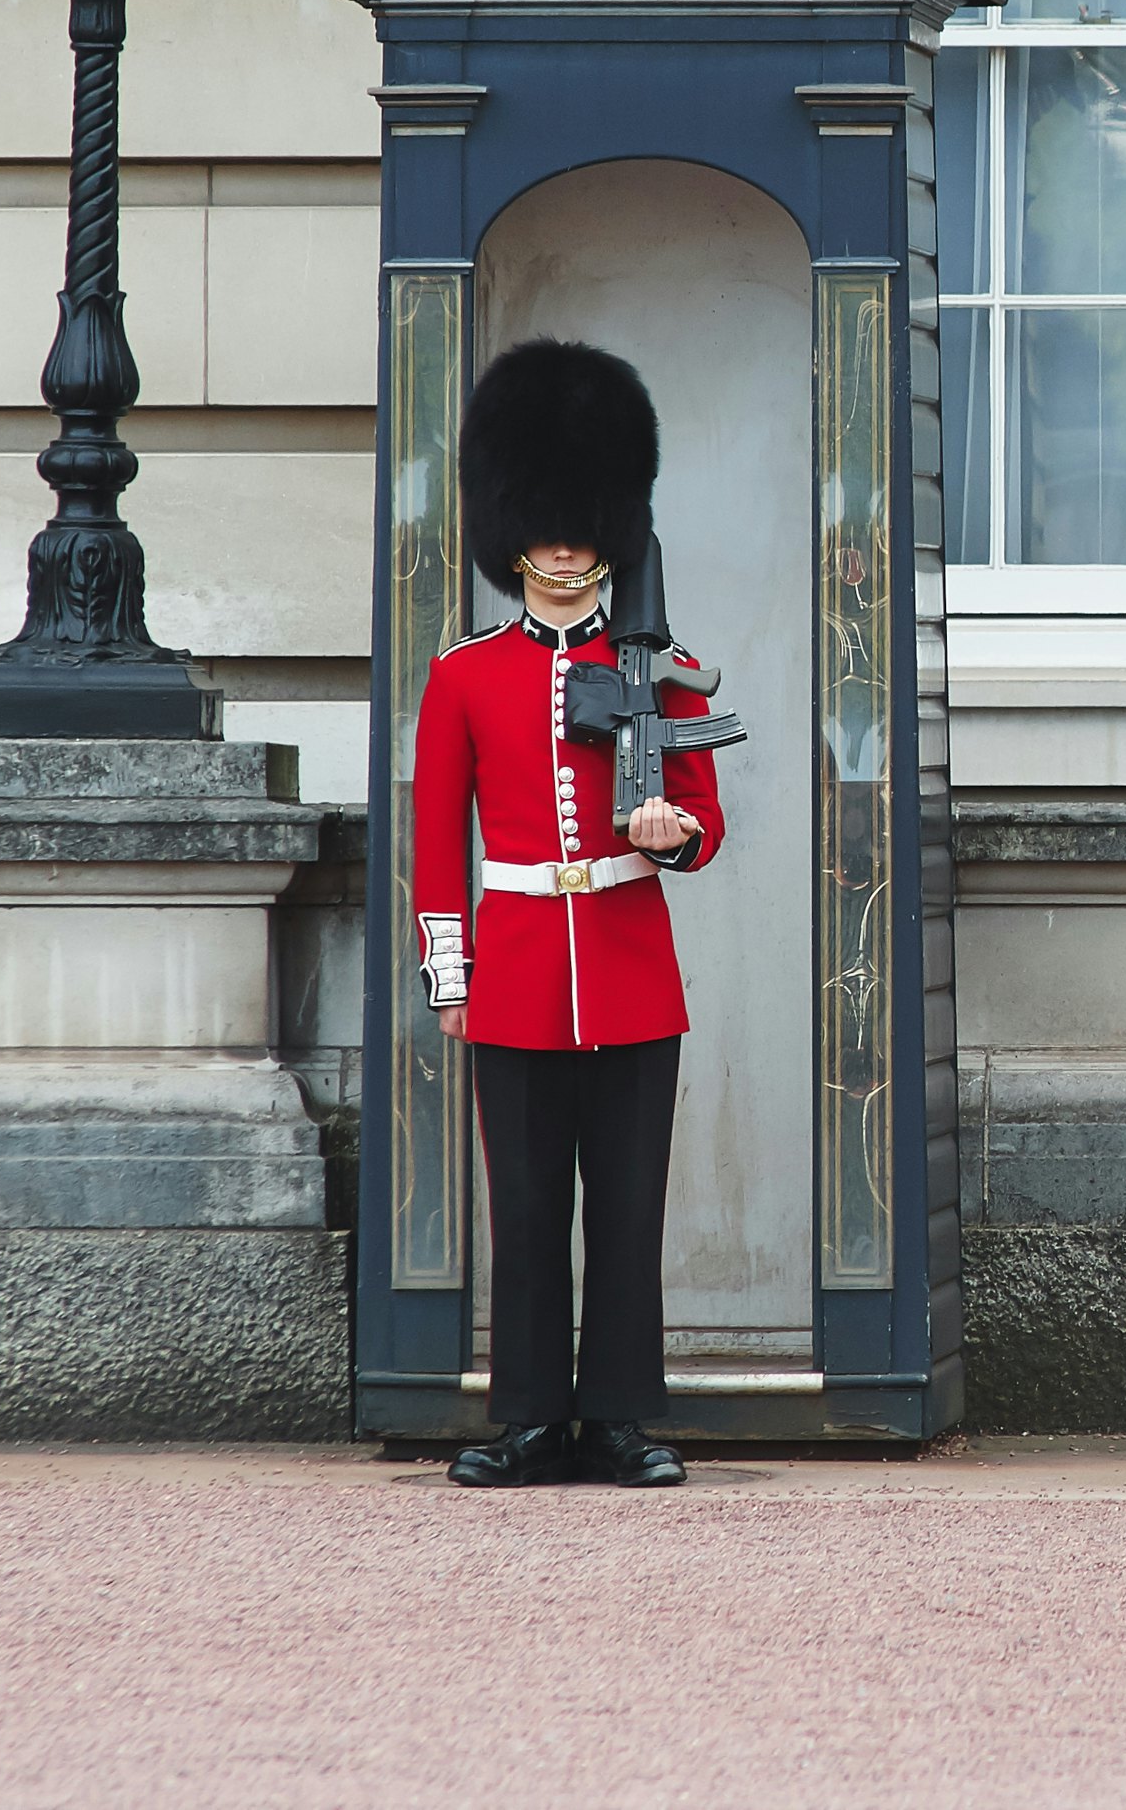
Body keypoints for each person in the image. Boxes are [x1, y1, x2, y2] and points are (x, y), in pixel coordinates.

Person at [414, 339, 727, 1490]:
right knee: (530, 1210)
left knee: (628, 1214)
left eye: (580, 520)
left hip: (633, 967)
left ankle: (623, 1419)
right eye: (542, 521)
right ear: (512, 527)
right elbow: (436, 838)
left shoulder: (665, 669)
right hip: (517, 975)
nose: (560, 543)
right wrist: (451, 973)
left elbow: (703, 816)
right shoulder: (464, 674)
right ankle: (532, 1418)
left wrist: (667, 833)